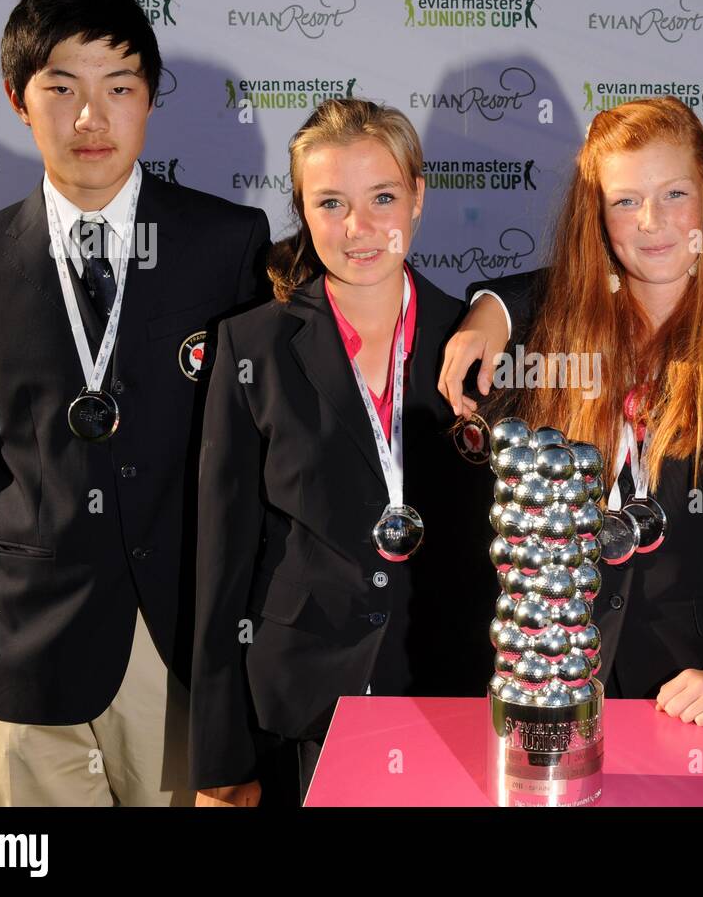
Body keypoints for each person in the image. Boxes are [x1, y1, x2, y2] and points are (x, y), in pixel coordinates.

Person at [0, 0, 270, 806]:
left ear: (149, 100)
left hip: (182, 648)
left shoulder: (226, 242)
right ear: (16, 97)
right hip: (21, 652)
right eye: (61, 88)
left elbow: (259, 463)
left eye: (118, 88)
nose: (90, 117)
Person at [438, 97, 703, 771]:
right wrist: (490, 307)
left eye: (674, 194)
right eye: (626, 202)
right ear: (598, 219)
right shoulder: (555, 335)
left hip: (701, 700)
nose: (653, 222)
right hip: (554, 691)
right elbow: (532, 294)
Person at [190, 99, 491, 807]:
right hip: (300, 703)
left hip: (455, 690)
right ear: (301, 208)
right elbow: (221, 560)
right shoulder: (252, 345)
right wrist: (219, 759)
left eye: (382, 196)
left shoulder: (480, 342)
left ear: (419, 197)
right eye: (331, 202)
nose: (358, 228)